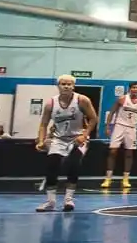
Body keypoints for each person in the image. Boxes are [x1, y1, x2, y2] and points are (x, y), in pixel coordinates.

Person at [35, 75, 98, 212]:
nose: (66, 86)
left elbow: (93, 119)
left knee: (73, 164)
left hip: (77, 138)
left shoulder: (82, 100)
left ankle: (68, 200)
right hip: (58, 139)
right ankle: (50, 202)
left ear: (73, 86)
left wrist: (85, 134)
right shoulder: (50, 103)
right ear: (58, 86)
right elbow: (43, 124)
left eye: (69, 84)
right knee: (52, 167)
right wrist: (41, 141)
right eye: (63, 84)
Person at [101, 82, 137, 190]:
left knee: (129, 153)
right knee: (112, 151)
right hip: (119, 126)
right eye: (133, 87)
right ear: (129, 89)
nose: (135, 89)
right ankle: (108, 178)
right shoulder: (122, 99)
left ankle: (126, 178)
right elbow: (112, 112)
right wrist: (107, 127)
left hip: (132, 128)